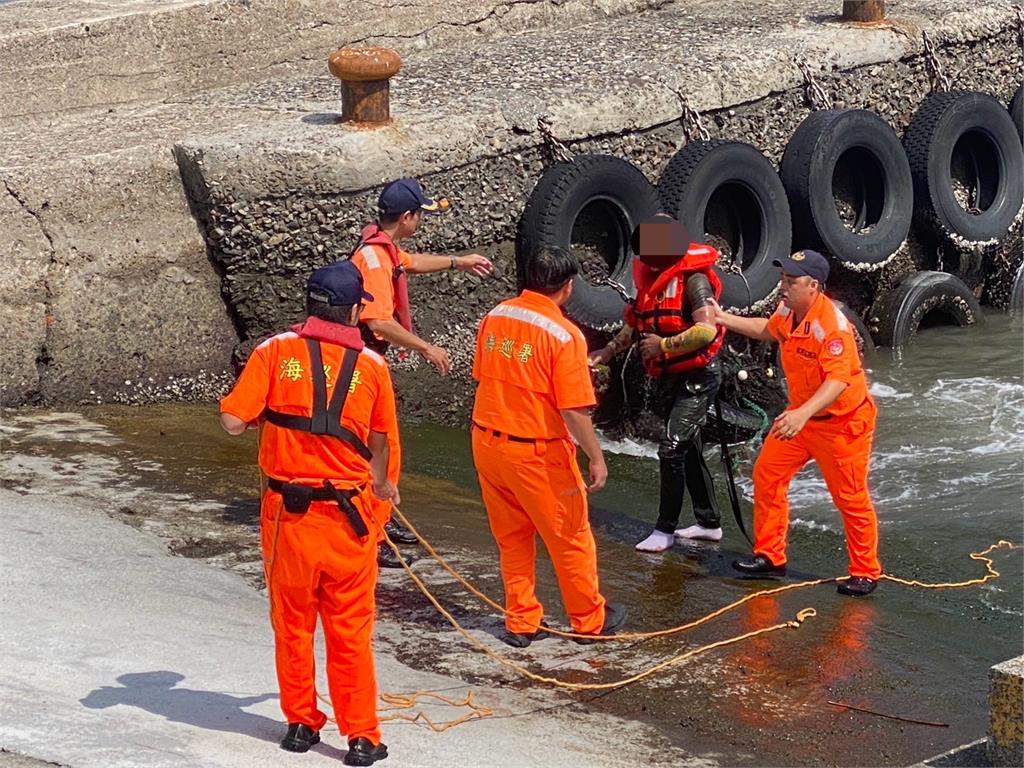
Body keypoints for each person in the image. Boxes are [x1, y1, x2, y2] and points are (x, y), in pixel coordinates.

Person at [219, 260, 397, 766]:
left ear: (309, 304)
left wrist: (266, 416)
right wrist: (382, 499)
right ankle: (361, 736)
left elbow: (233, 420)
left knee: (292, 625)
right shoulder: (373, 368)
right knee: (350, 631)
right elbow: (383, 448)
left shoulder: (275, 352)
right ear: (357, 310)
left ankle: (301, 724)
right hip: (348, 519)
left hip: (286, 518)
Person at [470, 245, 626, 648]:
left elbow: (482, 375)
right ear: (567, 287)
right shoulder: (564, 335)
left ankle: (521, 620)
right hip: (536, 452)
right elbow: (574, 410)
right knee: (571, 537)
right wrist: (596, 456)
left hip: (487, 441)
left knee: (513, 537)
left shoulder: (496, 316)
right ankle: (589, 620)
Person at [707, 249, 882, 596]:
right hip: (801, 416)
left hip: (841, 423)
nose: (783, 287)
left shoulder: (830, 326)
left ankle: (866, 571)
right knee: (767, 474)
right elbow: (768, 330)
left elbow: (837, 382)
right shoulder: (789, 309)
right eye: (783, 279)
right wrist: (723, 318)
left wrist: (802, 414)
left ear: (813, 285)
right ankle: (771, 557)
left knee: (850, 497)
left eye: (791, 281)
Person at [347, 177, 493, 569]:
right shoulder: (376, 260)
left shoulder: (382, 246)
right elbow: (377, 321)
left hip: (367, 358)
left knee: (383, 442)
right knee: (378, 444)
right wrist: (426, 347)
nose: (421, 223)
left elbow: (410, 263)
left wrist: (458, 262)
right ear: (407, 217)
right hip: (364, 359)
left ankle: (382, 515)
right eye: (420, 216)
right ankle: (372, 531)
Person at [589, 214, 726, 552]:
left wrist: (664, 346)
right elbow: (636, 324)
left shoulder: (694, 280)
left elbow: (706, 330)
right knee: (687, 445)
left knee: (672, 447)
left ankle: (664, 530)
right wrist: (607, 351)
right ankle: (709, 522)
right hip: (670, 375)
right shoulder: (650, 279)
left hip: (699, 375)